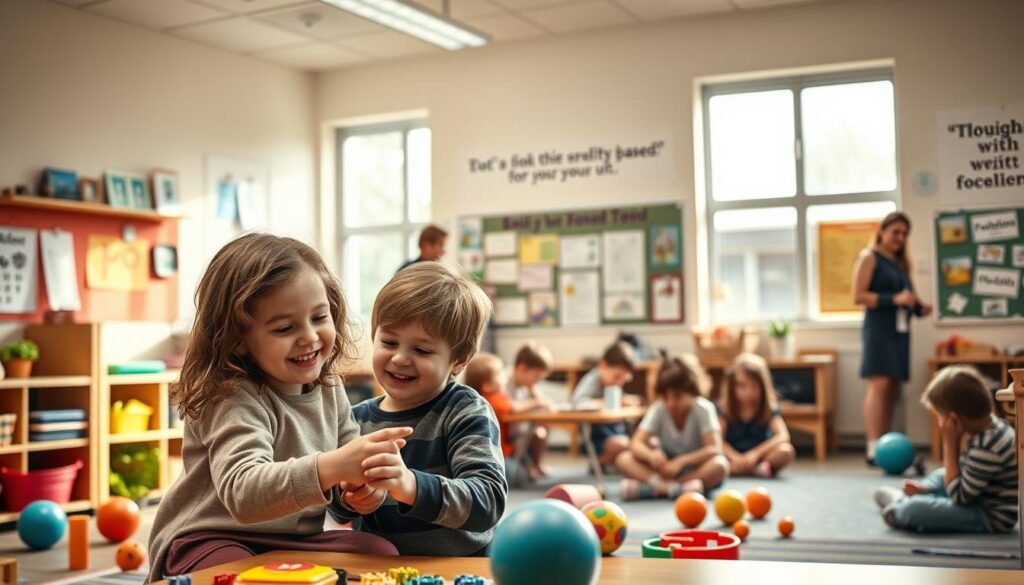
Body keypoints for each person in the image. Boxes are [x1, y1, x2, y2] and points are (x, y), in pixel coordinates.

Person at [146, 234, 410, 582]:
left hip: (293, 541)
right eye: (285, 327)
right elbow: (244, 493)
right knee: (235, 574)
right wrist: (331, 466)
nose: (309, 337)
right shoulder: (230, 395)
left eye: (319, 317)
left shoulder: (329, 388)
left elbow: (342, 487)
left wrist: (362, 492)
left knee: (379, 554)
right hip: (211, 538)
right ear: (237, 338)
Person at [330, 262, 507, 556]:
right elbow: (337, 510)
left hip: (461, 566)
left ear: (459, 360)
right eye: (388, 341)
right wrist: (350, 496)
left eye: (422, 350)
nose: (400, 358)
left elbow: (487, 502)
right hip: (383, 568)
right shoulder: (356, 418)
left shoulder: (465, 411)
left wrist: (410, 485)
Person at [873, 366, 1017, 533]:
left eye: (939, 417)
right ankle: (920, 493)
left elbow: (959, 496)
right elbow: (960, 474)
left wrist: (949, 443)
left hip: (988, 515)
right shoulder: (990, 425)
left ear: (953, 419)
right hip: (974, 495)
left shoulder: (987, 446)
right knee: (941, 474)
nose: (939, 423)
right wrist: (928, 487)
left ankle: (901, 506)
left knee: (915, 510)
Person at [853, 211, 933, 466]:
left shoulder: (900, 264)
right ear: (882, 231)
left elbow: (908, 298)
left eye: (904, 234)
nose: (900, 238)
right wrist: (894, 300)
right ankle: (872, 447)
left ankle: (886, 446)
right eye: (896, 232)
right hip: (879, 330)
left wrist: (919, 308)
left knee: (892, 389)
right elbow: (859, 296)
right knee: (879, 386)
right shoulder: (869, 258)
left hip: (900, 333)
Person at [616, 352, 728, 500]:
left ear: (692, 391)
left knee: (720, 465)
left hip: (695, 470)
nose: (671, 403)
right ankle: (672, 488)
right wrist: (651, 456)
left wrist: (681, 462)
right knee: (624, 459)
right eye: (665, 397)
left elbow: (714, 449)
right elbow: (636, 443)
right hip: (664, 470)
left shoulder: (704, 408)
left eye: (678, 396)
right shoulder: (659, 409)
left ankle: (657, 489)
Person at [466, 352, 553, 482]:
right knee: (519, 476)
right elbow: (514, 407)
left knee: (520, 467)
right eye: (500, 375)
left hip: (503, 449)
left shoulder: (496, 396)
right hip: (494, 455)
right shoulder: (491, 399)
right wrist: (537, 402)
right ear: (487, 386)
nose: (505, 378)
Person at [718, 353, 795, 477]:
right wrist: (735, 457)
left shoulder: (768, 408)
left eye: (754, 386)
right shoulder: (725, 408)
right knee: (715, 460)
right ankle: (755, 471)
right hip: (732, 457)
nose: (748, 392)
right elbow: (718, 440)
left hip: (759, 458)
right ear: (732, 387)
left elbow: (783, 436)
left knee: (786, 451)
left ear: (763, 387)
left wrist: (755, 454)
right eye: (742, 386)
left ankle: (743, 470)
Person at [570, 341, 640, 466]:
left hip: (615, 431)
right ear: (603, 365)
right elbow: (577, 403)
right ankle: (599, 462)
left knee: (639, 443)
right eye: (617, 376)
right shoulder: (593, 380)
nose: (619, 382)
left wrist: (627, 400)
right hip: (596, 437)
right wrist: (610, 402)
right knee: (626, 445)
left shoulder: (613, 386)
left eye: (623, 379)